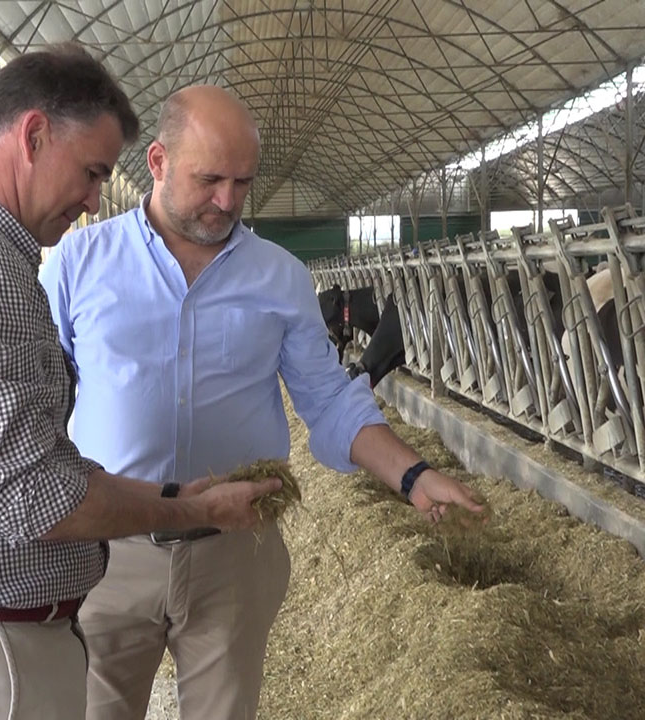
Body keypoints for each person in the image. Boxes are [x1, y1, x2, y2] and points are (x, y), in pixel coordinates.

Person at [0, 49, 279, 720]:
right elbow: (34, 499)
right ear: (33, 136)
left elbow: (24, 462)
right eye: (90, 172)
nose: (90, 202)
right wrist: (194, 511)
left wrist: (170, 491)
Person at [38, 84, 485, 720]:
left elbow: (330, 401)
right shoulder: (78, 264)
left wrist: (412, 476)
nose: (227, 201)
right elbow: (37, 404)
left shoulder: (279, 276)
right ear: (158, 162)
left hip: (234, 549)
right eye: (210, 178)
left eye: (242, 182)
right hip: (109, 549)